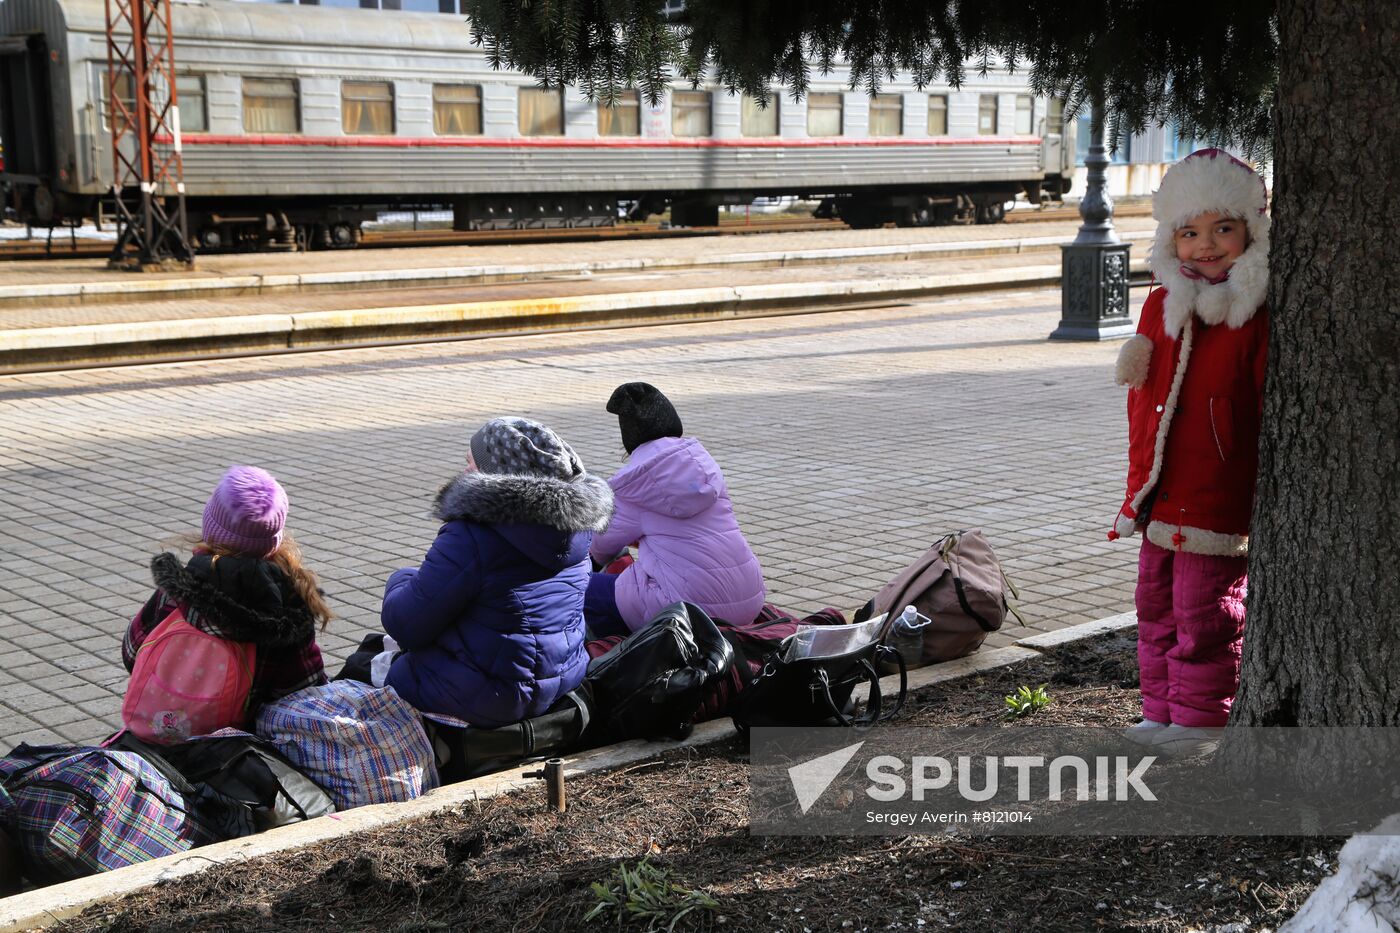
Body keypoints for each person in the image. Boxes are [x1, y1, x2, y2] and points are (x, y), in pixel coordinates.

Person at [1110, 148, 1270, 755]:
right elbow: (1148, 403)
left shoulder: (1251, 312)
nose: (1206, 245)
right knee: (1154, 607)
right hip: (1160, 490)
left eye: (1222, 229)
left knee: (1207, 614)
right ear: (1171, 240)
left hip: (1215, 494)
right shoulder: (1161, 303)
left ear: (1249, 233)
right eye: (1190, 232)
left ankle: (1200, 720)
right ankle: (1160, 711)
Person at [378, 417, 613, 727]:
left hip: (488, 697)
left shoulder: (471, 534)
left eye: (470, 465)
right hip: (561, 682)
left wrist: (399, 579)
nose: (463, 474)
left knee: (382, 665)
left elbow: (405, 624)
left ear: (495, 475)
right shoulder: (578, 531)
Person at [123, 466, 332, 716]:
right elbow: (305, 686)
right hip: (240, 742)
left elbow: (132, 651)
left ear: (210, 526)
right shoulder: (289, 607)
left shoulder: (179, 590)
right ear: (275, 539)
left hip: (159, 724)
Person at [586, 383, 766, 635]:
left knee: (575, 591)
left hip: (687, 609)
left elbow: (601, 547)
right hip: (749, 597)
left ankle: (613, 657)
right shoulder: (705, 469)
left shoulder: (635, 482)